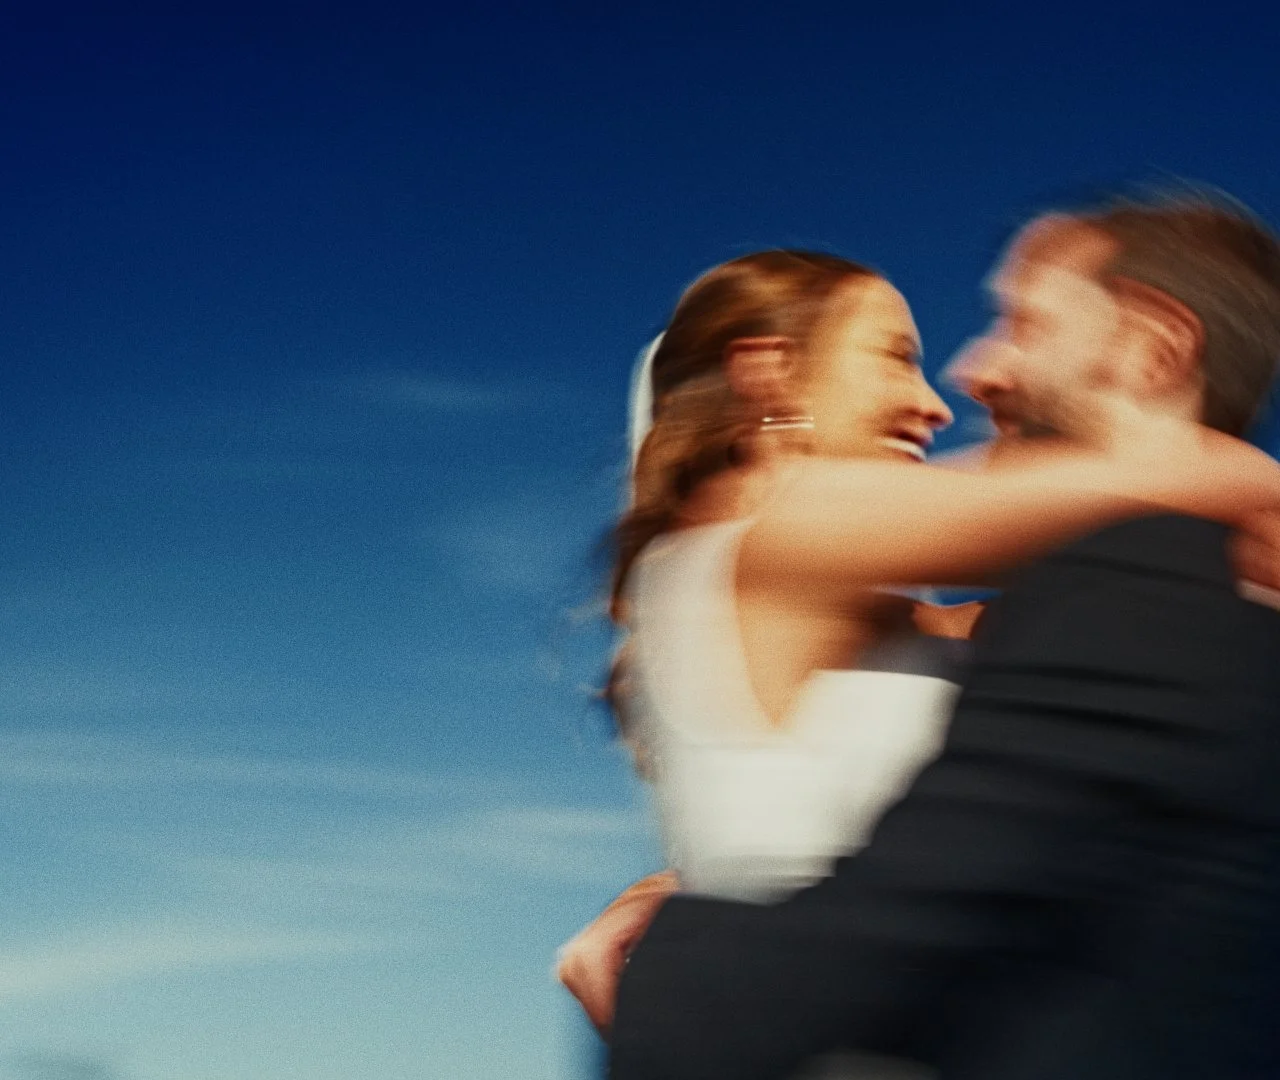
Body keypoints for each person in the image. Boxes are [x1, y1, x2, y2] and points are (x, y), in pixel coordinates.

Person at [604, 190, 1280, 1080]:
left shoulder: (903, 619)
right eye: (894, 357)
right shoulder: (781, 528)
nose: (935, 399)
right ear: (770, 374)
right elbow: (1134, 486)